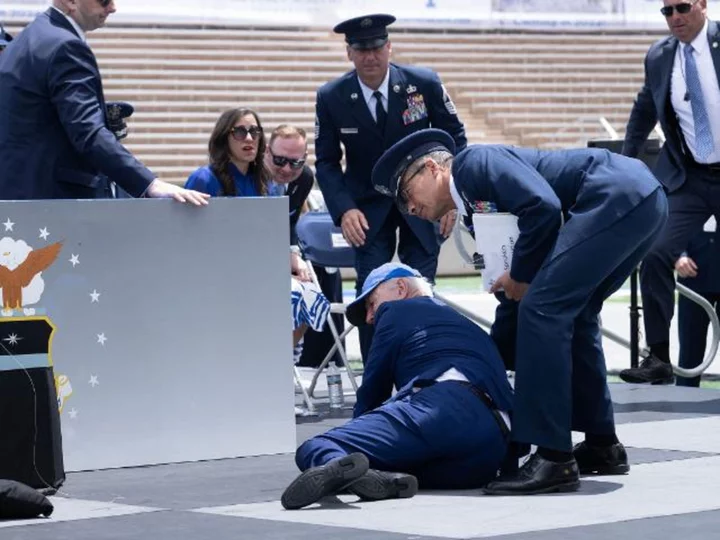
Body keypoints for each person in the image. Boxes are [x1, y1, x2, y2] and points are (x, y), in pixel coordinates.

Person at [371, 129, 668, 495]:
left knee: (544, 311)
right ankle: (602, 444)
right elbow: (513, 286)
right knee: (575, 313)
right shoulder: (473, 207)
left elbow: (540, 208)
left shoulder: (473, 165)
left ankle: (554, 459)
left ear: (432, 168)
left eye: (405, 194)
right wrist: (494, 356)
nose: (409, 208)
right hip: (639, 198)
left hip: (615, 194)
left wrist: (522, 278)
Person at [281, 262, 513, 510]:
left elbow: (372, 391)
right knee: (400, 465)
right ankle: (373, 478)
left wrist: (357, 434)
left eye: (372, 304)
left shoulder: (397, 311)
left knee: (316, 447)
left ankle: (346, 469)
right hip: (492, 445)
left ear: (401, 288)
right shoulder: (470, 327)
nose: (370, 318)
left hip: (443, 407)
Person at [314, 13, 467, 362]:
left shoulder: (423, 83)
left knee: (421, 291)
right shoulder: (331, 96)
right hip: (366, 211)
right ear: (349, 52)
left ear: (389, 46)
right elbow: (325, 162)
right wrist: (344, 208)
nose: (370, 56)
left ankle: (425, 369)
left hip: (427, 203)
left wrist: (452, 197)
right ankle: (377, 379)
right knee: (372, 294)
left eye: (377, 47)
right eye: (361, 48)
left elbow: (456, 140)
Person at [0, 1, 207, 205]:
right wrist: (149, 184)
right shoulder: (65, 46)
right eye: (103, 1)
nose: (112, 8)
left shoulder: (29, 38)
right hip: (53, 204)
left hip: (20, 198)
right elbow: (87, 132)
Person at [620, 0, 720, 384]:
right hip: (689, 177)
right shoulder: (660, 56)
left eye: (682, 7)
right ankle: (659, 356)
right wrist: (626, 163)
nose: (675, 17)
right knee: (657, 251)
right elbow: (644, 110)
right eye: (667, 11)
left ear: (702, 5)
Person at [263, 124, 346, 367]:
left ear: (305, 159)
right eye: (279, 161)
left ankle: (278, 362)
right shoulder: (251, 175)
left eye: (295, 163)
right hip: (248, 259)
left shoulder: (305, 178)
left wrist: (293, 255)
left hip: (277, 255)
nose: (287, 169)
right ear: (266, 152)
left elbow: (289, 222)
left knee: (311, 294)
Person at [185, 108, 271, 197]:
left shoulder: (264, 183)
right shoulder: (203, 179)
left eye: (254, 131)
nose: (249, 138)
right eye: (240, 132)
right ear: (224, 138)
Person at [675, 219, 720, 387]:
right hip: (693, 281)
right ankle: (683, 407)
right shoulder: (690, 193)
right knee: (689, 354)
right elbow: (674, 225)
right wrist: (678, 255)